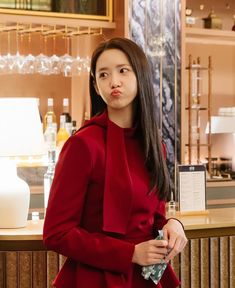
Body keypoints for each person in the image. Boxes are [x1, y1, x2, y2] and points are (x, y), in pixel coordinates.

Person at [43, 37, 187, 288]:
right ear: (96, 86)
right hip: (94, 279)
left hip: (144, 279)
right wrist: (129, 253)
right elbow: (57, 234)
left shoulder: (156, 145)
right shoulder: (82, 145)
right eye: (103, 75)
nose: (114, 82)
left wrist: (174, 224)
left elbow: (154, 219)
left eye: (123, 71)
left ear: (140, 76)